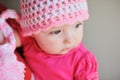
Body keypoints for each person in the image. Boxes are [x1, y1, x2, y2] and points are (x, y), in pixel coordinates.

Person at [0, 0, 99, 80]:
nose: (69, 40)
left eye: (77, 25)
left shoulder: (82, 61)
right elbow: (9, 40)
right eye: (56, 32)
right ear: (33, 33)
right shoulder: (30, 40)